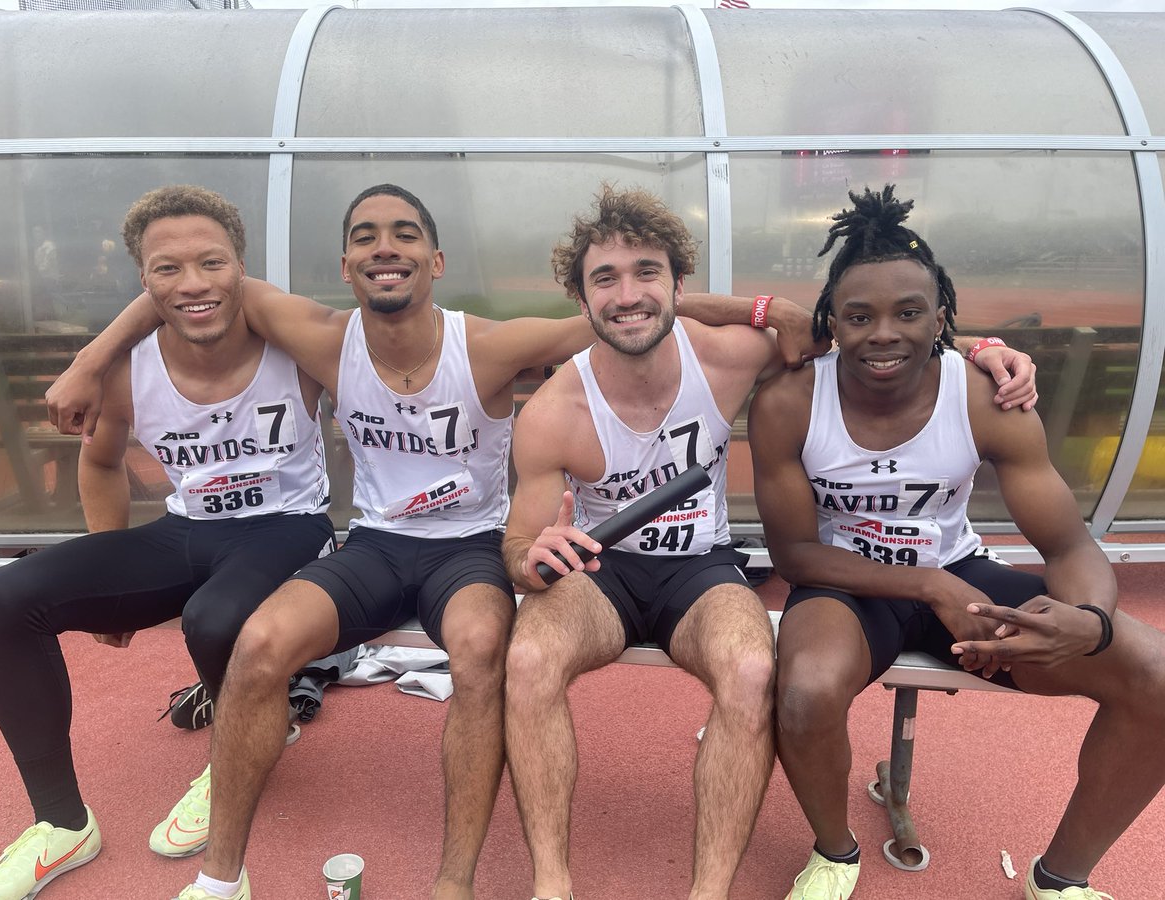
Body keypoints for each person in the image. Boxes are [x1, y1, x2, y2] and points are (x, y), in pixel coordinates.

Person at [40, 183, 822, 900]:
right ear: (345, 264)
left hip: (478, 550)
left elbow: (630, 312)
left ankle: (458, 883)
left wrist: (757, 309)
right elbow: (187, 287)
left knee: (507, 651)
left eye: (406, 233)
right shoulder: (320, 335)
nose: (386, 247)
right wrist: (90, 359)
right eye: (367, 237)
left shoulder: (492, 346)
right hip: (378, 545)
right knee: (259, 645)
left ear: (436, 259)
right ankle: (223, 882)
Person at [499, 185, 1037, 900]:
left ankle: (708, 893)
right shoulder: (553, 410)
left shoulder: (726, 356)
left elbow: (877, 335)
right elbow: (518, 542)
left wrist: (986, 347)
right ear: (582, 297)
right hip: (602, 573)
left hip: (702, 570)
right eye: (605, 279)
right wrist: (533, 563)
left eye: (646, 273)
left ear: (679, 285)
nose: (627, 294)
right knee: (529, 655)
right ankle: (551, 885)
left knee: (753, 671)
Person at [747, 184, 1165, 900]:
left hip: (961, 567)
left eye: (908, 312)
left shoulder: (981, 397)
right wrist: (933, 588)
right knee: (807, 691)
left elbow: (1067, 544)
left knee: (1156, 676)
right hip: (849, 581)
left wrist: (1088, 621)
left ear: (941, 317)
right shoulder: (788, 402)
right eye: (859, 316)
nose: (884, 333)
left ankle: (1059, 879)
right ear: (832, 325)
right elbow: (795, 556)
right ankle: (835, 854)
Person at [0, 185, 336, 900]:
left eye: (212, 263)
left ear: (242, 268)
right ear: (143, 281)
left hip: (291, 525)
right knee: (5, 597)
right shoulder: (127, 372)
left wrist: (93, 345)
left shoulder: (290, 341)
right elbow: (100, 461)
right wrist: (110, 589)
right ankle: (61, 826)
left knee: (214, 616)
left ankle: (246, 737)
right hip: (188, 529)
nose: (193, 283)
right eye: (167, 269)